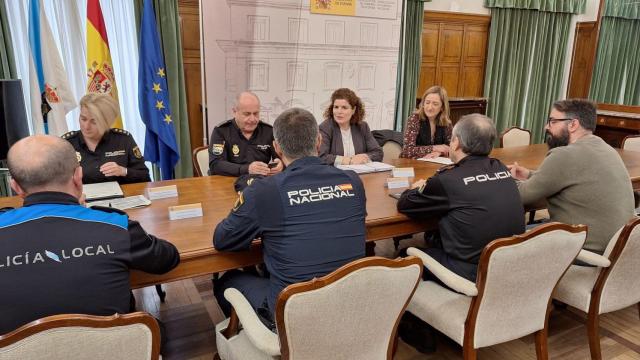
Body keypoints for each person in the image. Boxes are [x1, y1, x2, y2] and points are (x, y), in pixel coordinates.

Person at [0, 135, 179, 334]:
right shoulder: (114, 225)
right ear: (78, 177)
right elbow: (168, 258)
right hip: (114, 350)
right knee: (157, 329)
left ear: (15, 187)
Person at [212, 108, 366, 329]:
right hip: (347, 303)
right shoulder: (352, 181)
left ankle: (259, 333)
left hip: (294, 316)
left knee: (226, 281)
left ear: (276, 147)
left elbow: (222, 239)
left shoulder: (263, 191)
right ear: (319, 141)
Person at [396, 114, 524, 353]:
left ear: (455, 143)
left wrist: (417, 188)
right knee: (434, 238)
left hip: (472, 271)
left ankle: (419, 330)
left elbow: (406, 205)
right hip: (507, 264)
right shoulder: (500, 168)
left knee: (404, 254)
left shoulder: (449, 180)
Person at [508, 99, 634, 254]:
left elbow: (520, 196)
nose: (546, 126)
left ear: (573, 124)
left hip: (585, 252)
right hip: (618, 250)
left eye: (553, 121)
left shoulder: (564, 155)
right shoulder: (606, 148)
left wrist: (505, 179)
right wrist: (529, 174)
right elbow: (568, 179)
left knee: (504, 244)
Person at [62, 93, 151, 184]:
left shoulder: (123, 140)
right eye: (83, 119)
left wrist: (123, 171)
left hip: (120, 197)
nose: (86, 126)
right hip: (81, 197)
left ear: (107, 122)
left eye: (94, 122)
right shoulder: (67, 143)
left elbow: (144, 176)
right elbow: (55, 182)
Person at [208, 91, 283, 176]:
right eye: (247, 114)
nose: (252, 119)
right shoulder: (221, 131)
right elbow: (215, 165)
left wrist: (280, 164)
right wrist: (247, 169)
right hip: (228, 182)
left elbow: (280, 158)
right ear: (234, 112)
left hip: (259, 183)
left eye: (256, 113)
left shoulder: (268, 131)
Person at [319, 88, 383, 166]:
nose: (339, 112)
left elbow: (378, 152)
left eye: (344, 108)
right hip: (335, 174)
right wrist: (347, 160)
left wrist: (365, 157)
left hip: (360, 173)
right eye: (336, 107)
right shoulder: (325, 127)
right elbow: (321, 157)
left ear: (353, 110)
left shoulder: (362, 126)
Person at [400, 85, 453, 159]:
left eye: (435, 104)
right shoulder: (414, 119)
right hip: (412, 164)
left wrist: (439, 152)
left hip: (435, 164)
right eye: (427, 103)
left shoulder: (446, 122)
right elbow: (407, 151)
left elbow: (451, 147)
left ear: (442, 107)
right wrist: (435, 148)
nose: (430, 107)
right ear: (423, 104)